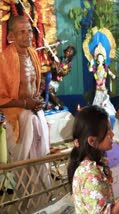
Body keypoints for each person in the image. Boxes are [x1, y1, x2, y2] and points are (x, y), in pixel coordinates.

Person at [67, 105, 119, 213]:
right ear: (92, 141)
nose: (112, 134)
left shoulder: (94, 163)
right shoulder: (90, 175)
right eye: (107, 132)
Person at [0, 16, 49, 161]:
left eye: (29, 31)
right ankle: (25, 183)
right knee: (24, 164)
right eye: (22, 32)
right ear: (11, 36)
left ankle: (40, 182)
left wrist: (37, 99)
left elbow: (33, 87)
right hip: (16, 116)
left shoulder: (33, 54)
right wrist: (25, 104)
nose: (27, 35)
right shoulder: (3, 60)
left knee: (41, 154)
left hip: (34, 110)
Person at [42, 45, 76, 110]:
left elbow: (61, 73)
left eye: (70, 52)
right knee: (43, 90)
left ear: (72, 55)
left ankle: (59, 104)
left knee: (50, 91)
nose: (68, 52)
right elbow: (52, 64)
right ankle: (47, 104)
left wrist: (57, 64)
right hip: (49, 77)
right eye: (68, 50)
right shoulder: (60, 58)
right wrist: (53, 54)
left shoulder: (68, 66)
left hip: (54, 81)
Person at [89, 43, 117, 116]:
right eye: (98, 58)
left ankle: (106, 110)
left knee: (105, 97)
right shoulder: (95, 68)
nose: (100, 59)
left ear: (104, 58)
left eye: (101, 57)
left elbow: (110, 73)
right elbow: (90, 70)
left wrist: (113, 75)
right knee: (97, 97)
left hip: (103, 85)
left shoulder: (105, 67)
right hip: (97, 85)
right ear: (97, 59)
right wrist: (91, 64)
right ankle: (96, 112)